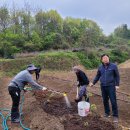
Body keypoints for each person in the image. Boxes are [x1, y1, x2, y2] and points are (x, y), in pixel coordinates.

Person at [90, 54, 120, 123]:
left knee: (113, 101)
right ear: (102, 60)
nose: (105, 59)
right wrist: (93, 83)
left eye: (107, 58)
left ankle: (115, 116)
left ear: (108, 59)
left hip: (111, 86)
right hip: (103, 86)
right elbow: (97, 76)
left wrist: (117, 84)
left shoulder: (113, 66)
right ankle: (107, 113)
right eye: (104, 58)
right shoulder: (100, 67)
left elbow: (117, 76)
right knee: (105, 100)